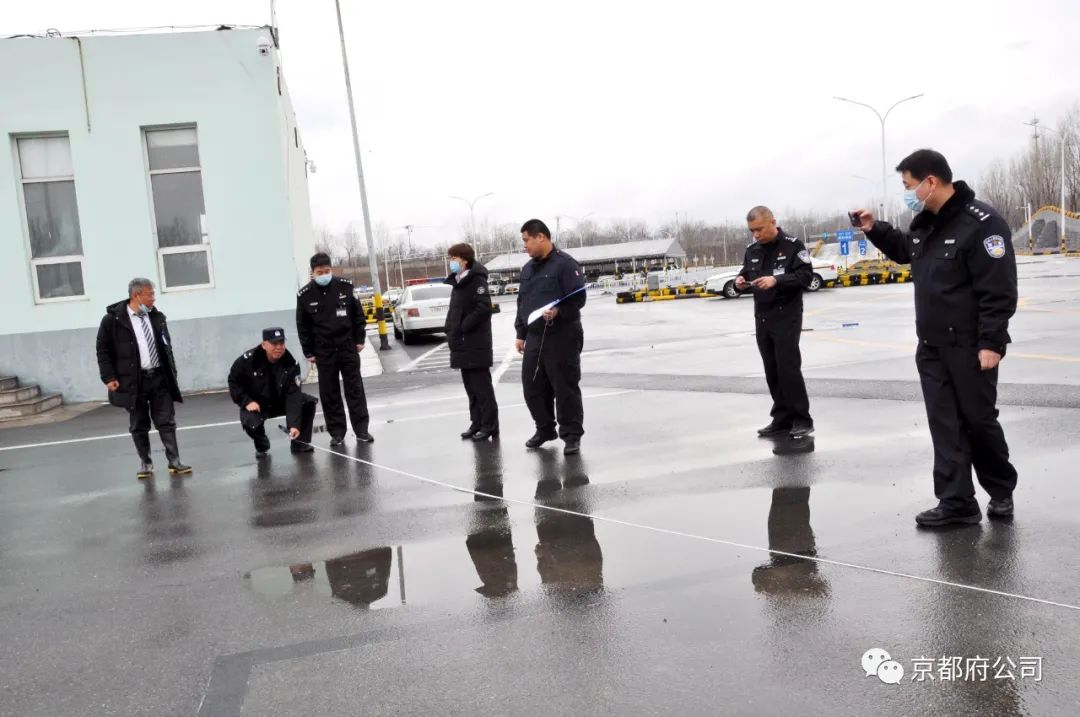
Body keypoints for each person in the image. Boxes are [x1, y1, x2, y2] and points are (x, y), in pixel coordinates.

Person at [854, 149, 1018, 527]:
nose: (906, 193)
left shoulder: (982, 224)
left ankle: (1001, 490)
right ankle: (957, 501)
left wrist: (992, 342)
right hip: (931, 346)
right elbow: (906, 251)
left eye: (908, 185)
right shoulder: (925, 223)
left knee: (978, 422)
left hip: (970, 347)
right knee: (944, 424)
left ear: (930, 181)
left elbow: (999, 289)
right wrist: (874, 228)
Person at [96, 277, 192, 479]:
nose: (153, 299)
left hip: (159, 377)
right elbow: (103, 351)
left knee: (166, 420)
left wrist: (172, 372)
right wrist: (108, 377)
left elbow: (167, 348)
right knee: (139, 423)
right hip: (133, 380)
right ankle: (146, 463)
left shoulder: (157, 317)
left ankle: (174, 461)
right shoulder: (113, 320)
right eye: (150, 295)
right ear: (136, 295)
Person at [735, 207, 815, 442]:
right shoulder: (752, 250)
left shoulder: (793, 246)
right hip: (762, 317)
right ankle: (781, 418)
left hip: (786, 316)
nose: (756, 234)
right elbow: (745, 274)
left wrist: (776, 280)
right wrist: (740, 281)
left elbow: (806, 277)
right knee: (771, 369)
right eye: (752, 231)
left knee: (788, 368)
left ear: (773, 222)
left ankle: (802, 419)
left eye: (759, 229)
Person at [514, 219, 587, 455]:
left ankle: (571, 435)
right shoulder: (527, 269)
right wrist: (520, 333)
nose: (524, 245)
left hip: (562, 335)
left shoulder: (565, 265)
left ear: (541, 237)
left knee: (565, 388)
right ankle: (545, 428)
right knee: (532, 387)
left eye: (526, 240)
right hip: (535, 336)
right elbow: (522, 303)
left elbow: (578, 299)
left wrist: (558, 311)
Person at [295, 252, 373, 446]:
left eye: (327, 271)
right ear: (313, 273)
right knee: (329, 393)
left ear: (331, 269)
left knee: (355, 389)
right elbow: (303, 326)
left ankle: (362, 430)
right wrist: (308, 351)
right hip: (324, 351)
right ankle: (337, 432)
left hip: (347, 347)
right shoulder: (305, 295)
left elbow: (358, 315)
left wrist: (360, 339)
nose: (324, 275)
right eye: (319, 272)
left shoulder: (345, 287)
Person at [227, 327, 319, 458]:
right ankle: (262, 445)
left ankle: (299, 443)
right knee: (250, 421)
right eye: (274, 343)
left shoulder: (290, 363)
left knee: (308, 403)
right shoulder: (248, 361)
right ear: (264, 345)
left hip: (279, 401)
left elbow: (293, 395)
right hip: (257, 404)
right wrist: (246, 401)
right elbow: (233, 381)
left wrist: (294, 425)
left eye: (281, 343)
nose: (279, 347)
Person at [444, 243, 499, 441]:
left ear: (464, 260)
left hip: (475, 342)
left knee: (482, 388)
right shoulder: (458, 281)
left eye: (454, 258)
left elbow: (483, 308)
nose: (451, 262)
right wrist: (450, 328)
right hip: (461, 343)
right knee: (471, 388)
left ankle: (489, 425)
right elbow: (455, 310)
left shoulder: (477, 280)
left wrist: (463, 326)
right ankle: (476, 422)